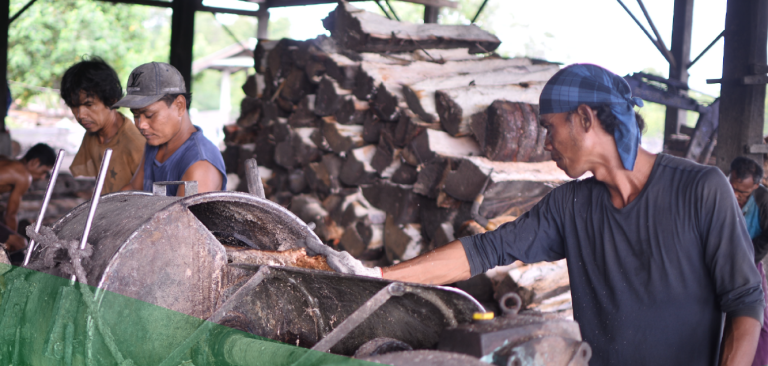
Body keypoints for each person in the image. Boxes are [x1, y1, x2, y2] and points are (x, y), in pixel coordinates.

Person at [362, 64, 765, 366]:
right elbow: (486, 250)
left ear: (585, 118)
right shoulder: (570, 205)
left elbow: (745, 300)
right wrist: (375, 278)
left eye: (549, 127)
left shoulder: (700, 189)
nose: (546, 144)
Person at [118, 62, 226, 196]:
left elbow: (180, 217)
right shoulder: (155, 143)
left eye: (149, 115)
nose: (141, 125)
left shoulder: (200, 164)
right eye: (136, 115)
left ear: (179, 106)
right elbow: (133, 189)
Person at [61, 57, 145, 194]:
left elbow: (149, 198)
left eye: (89, 105)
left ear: (112, 100)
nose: (81, 114)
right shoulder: (92, 135)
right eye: (74, 106)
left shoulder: (135, 144)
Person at [729, 156, 768, 366]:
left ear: (755, 185)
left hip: (750, 264)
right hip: (722, 263)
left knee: (758, 317)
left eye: (742, 192)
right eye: (732, 187)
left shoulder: (764, 201)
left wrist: (748, 257)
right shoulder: (721, 192)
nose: (735, 195)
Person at [0, 143, 56, 254]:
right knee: (20, 243)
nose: (42, 177)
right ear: (35, 162)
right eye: (44, 172)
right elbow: (10, 215)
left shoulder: (6, 161)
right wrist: (13, 240)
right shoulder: (24, 176)